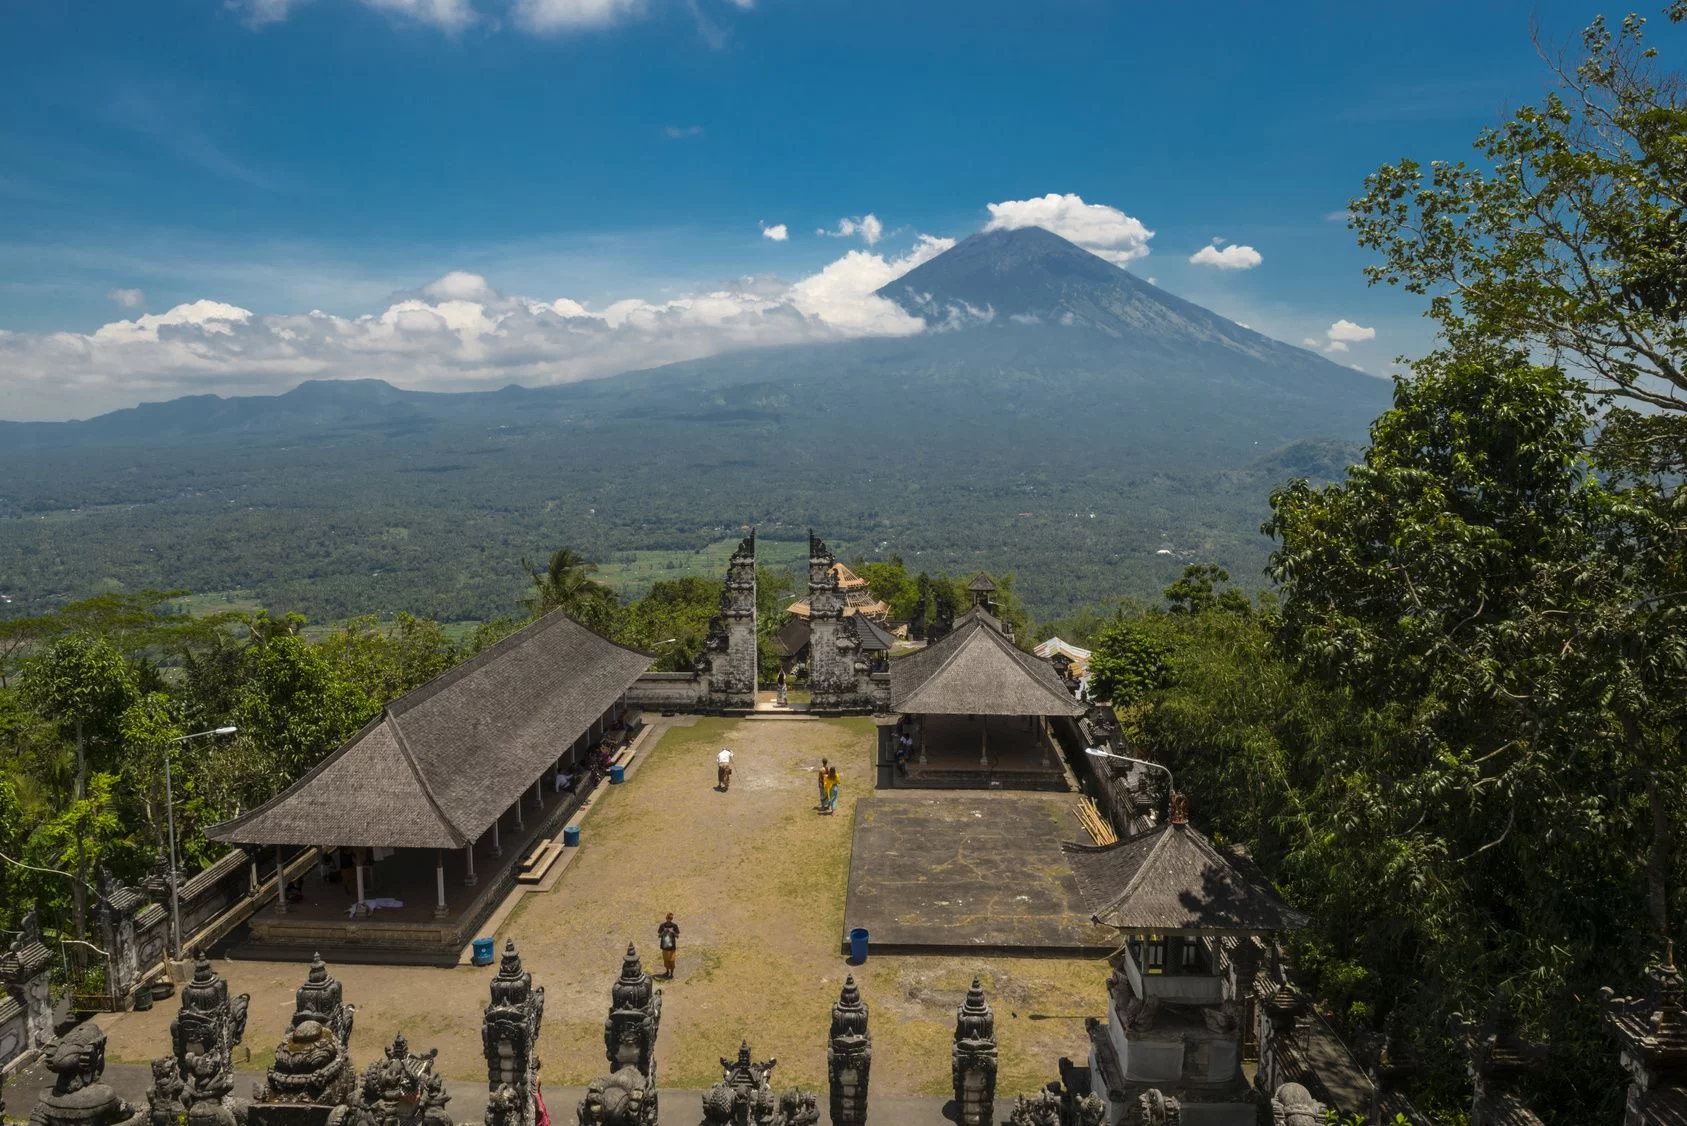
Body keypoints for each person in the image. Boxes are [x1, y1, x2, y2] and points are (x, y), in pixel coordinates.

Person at [657, 913, 680, 979]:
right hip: (664, 947)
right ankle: (667, 972)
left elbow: (677, 936)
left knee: (672, 961)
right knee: (666, 960)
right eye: (668, 918)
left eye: (671, 919)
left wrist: (673, 932)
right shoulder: (662, 925)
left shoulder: (674, 926)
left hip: (672, 947)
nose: (669, 920)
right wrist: (663, 932)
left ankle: (671, 974)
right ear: (666, 918)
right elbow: (659, 936)